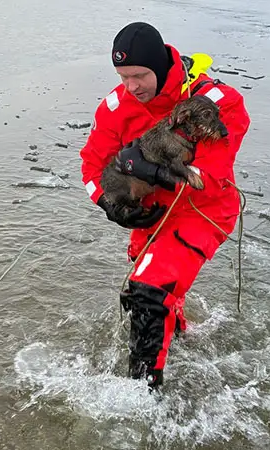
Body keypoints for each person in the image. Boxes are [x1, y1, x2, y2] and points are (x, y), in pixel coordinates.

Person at [78, 22, 251, 391]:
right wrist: (111, 205)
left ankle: (143, 397)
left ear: (160, 66)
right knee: (150, 297)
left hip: (203, 213)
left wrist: (151, 171)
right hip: (151, 219)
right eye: (123, 77)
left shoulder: (216, 102)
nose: (131, 87)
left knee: (149, 291)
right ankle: (184, 344)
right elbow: (92, 168)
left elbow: (210, 174)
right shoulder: (116, 107)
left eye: (139, 75)